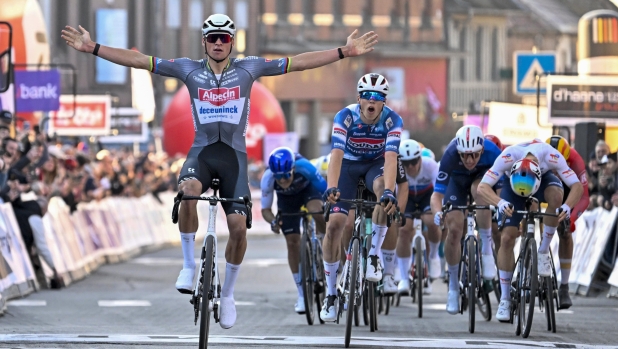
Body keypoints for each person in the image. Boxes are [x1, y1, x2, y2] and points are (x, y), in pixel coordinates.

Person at [61, 13, 378, 329]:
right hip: (201, 154)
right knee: (187, 193)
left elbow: (297, 62)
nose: (217, 43)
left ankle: (227, 295)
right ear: (204, 42)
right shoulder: (188, 69)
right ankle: (188, 265)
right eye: (211, 37)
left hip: (235, 159)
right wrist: (93, 48)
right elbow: (140, 60)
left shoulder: (248, 68)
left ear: (232, 42)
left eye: (223, 38)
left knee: (239, 229)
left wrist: (342, 52)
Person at [320, 73, 403, 321]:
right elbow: (336, 154)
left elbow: (390, 159)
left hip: (374, 166)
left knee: (383, 193)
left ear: (384, 102)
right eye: (367, 95)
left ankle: (374, 256)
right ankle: (331, 294)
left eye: (377, 97)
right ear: (359, 98)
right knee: (334, 226)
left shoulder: (393, 120)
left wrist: (389, 190)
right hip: (347, 165)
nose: (371, 101)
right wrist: (332, 187)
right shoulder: (345, 117)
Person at [477, 139, 583, 322]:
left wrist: (567, 206)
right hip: (513, 186)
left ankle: (543, 251)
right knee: (507, 239)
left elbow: (577, 186)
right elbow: (482, 187)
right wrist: (500, 203)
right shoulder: (507, 156)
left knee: (556, 197)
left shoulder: (550, 155)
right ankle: (504, 299)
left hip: (544, 181)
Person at [430, 125, 501, 315]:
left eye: (475, 155)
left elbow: (502, 190)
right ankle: (453, 286)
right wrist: (437, 212)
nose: (469, 160)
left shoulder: (494, 152)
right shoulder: (450, 154)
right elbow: (437, 195)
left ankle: (486, 249)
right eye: (464, 155)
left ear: (482, 150)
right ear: (458, 152)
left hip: (481, 181)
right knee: (454, 229)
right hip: (457, 183)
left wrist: (502, 206)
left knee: (480, 190)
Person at [260, 147, 326, 314]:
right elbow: (265, 210)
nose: (282, 180)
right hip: (287, 200)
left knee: (317, 211)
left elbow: (326, 193)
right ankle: (302, 294)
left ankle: (325, 243)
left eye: (286, 175)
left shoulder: (306, 168)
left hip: (308, 191)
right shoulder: (268, 178)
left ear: (293, 169)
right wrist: (274, 221)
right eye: (278, 177)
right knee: (292, 242)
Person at [546, 136, 589, 309]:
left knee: (565, 232)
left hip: (567, 191)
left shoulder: (576, 160)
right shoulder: (538, 153)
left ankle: (564, 286)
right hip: (544, 186)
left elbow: (584, 197)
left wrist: (570, 218)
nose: (556, 169)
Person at [396, 139, 441, 295]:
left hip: (426, 196)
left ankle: (434, 256)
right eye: (406, 163)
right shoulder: (397, 169)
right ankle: (404, 278)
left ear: (420, 159)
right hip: (407, 197)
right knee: (403, 229)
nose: (410, 167)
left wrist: (439, 210)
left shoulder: (430, 165)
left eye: (414, 162)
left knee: (432, 221)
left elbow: (439, 190)